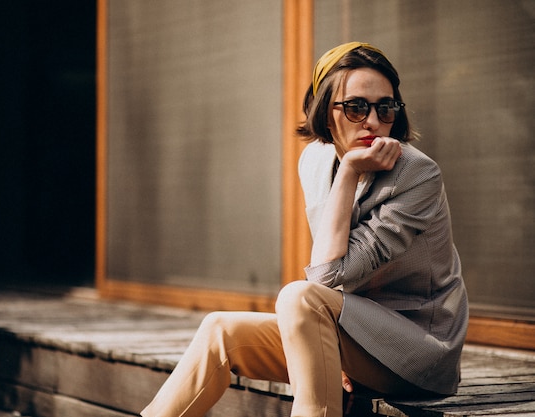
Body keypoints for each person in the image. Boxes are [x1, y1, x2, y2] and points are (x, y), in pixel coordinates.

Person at [140, 42, 469, 417]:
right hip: (348, 332)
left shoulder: (417, 174)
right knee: (220, 329)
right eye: (356, 107)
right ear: (325, 112)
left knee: (299, 297)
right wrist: (347, 172)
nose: (373, 121)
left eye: (385, 107)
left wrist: (349, 171)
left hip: (417, 350)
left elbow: (326, 277)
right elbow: (330, 274)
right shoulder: (314, 159)